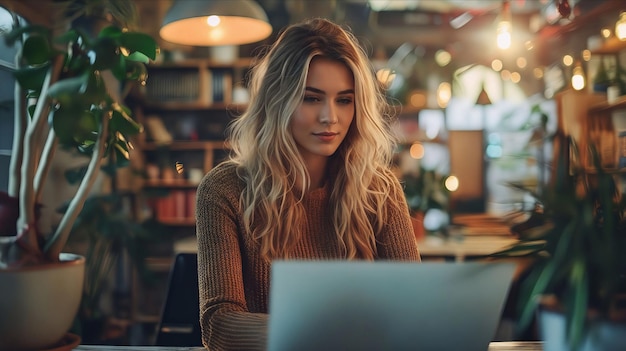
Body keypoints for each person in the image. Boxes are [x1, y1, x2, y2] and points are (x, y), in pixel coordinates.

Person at [195, 17, 421, 351]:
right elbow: (219, 325)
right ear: (277, 101)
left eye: (344, 100)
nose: (330, 117)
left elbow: (417, 308)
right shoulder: (224, 190)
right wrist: (332, 333)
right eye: (311, 98)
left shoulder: (380, 189)